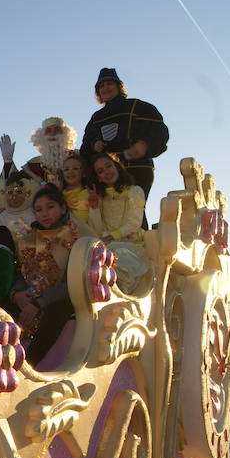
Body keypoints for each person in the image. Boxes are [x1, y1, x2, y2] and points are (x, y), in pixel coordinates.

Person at [11, 185, 96, 365]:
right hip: (31, 297)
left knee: (58, 311)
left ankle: (32, 364)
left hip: (65, 297)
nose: (45, 214)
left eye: (50, 207)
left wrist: (40, 301)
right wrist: (17, 294)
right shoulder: (28, 240)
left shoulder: (77, 235)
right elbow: (20, 273)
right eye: (39, 210)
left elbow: (77, 280)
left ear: (63, 208)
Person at [80, 68, 169, 227]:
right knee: (110, 213)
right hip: (107, 171)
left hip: (136, 167)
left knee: (133, 209)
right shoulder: (96, 118)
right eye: (101, 86)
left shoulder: (138, 106)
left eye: (109, 84)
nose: (105, 88)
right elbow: (85, 147)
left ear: (119, 86)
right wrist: (94, 144)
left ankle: (139, 246)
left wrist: (145, 144)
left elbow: (160, 132)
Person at [87, 153, 152, 295]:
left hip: (132, 244)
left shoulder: (134, 191)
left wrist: (112, 237)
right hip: (106, 245)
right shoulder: (100, 198)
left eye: (108, 166)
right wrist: (94, 207)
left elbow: (134, 223)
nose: (106, 172)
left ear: (116, 166)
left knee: (116, 259)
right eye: (100, 171)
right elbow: (96, 229)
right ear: (98, 177)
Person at [0, 117, 78, 204]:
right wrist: (8, 162)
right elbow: (13, 186)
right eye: (48, 131)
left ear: (66, 134)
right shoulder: (33, 165)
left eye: (57, 129)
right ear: (42, 137)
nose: (53, 133)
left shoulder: (77, 157)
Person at [0, 171, 38, 241]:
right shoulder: (1, 218)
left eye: (19, 192)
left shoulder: (34, 213)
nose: (14, 197)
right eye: (10, 193)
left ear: (27, 193)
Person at [61, 155, 93, 224]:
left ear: (84, 173)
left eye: (75, 168)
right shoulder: (59, 195)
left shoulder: (90, 194)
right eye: (66, 169)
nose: (70, 172)